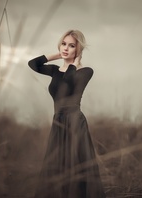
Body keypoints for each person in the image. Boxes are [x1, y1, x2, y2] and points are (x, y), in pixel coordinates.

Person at [28, 30, 106, 198]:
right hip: (58, 121)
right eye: (63, 44)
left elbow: (67, 84)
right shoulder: (55, 70)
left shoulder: (85, 72)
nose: (66, 48)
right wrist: (57, 55)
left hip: (75, 122)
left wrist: (73, 63)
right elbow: (33, 64)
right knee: (56, 165)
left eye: (72, 46)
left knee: (75, 165)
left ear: (79, 50)